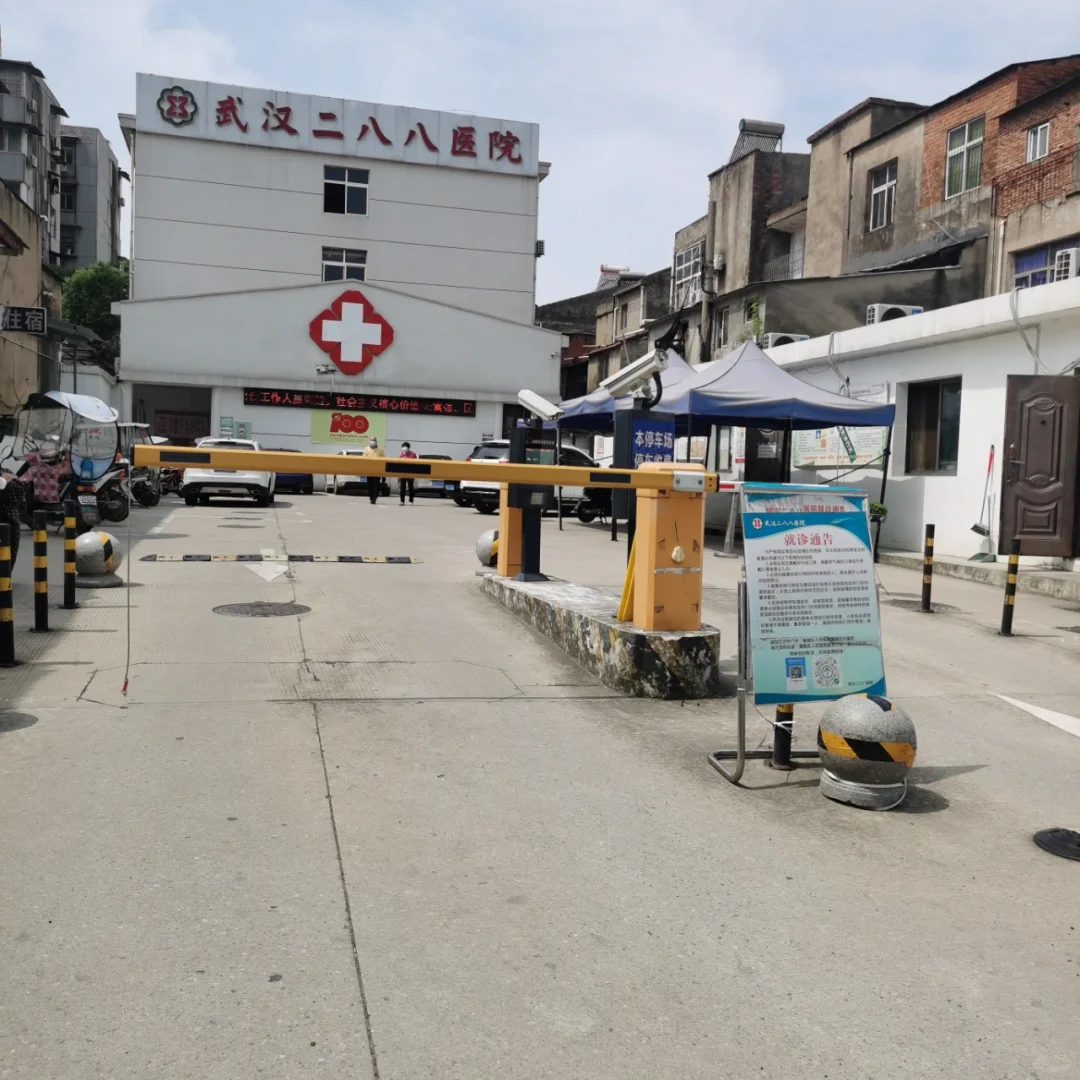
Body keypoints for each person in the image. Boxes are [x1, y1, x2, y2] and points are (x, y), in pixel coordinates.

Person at [362, 437, 384, 504]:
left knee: (376, 486)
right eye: (371, 440)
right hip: (369, 470)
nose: (372, 442)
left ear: (376, 441)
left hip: (377, 471)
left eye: (374, 440)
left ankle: (374, 498)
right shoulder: (366, 449)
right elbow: (363, 459)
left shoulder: (380, 450)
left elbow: (383, 459)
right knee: (370, 485)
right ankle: (371, 498)